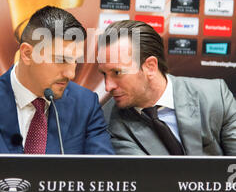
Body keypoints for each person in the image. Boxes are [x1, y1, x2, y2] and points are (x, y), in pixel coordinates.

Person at [0, 5, 114, 154]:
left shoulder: (86, 104)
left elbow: (105, 179)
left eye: (75, 61)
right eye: (61, 60)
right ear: (27, 54)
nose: (71, 74)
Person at [98, 20, 236, 156]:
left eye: (117, 72)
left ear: (150, 66)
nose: (108, 86)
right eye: (104, 74)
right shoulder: (107, 122)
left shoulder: (215, 96)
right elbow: (150, 176)